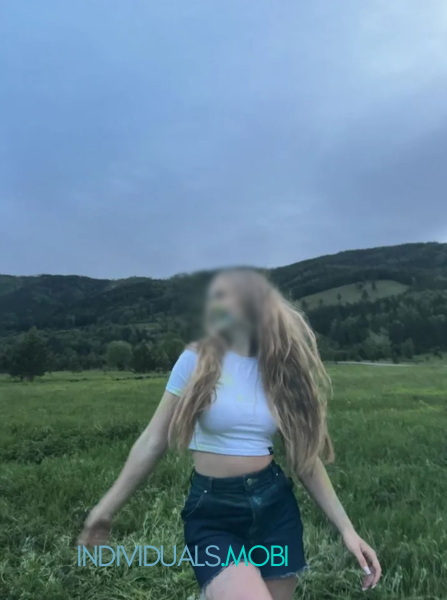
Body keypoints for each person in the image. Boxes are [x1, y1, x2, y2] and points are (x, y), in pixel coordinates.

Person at [79, 269, 381, 599]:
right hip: (214, 513)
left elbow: (306, 461)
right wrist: (104, 510)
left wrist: (348, 531)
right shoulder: (196, 360)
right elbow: (153, 440)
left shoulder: (281, 371)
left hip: (275, 510)